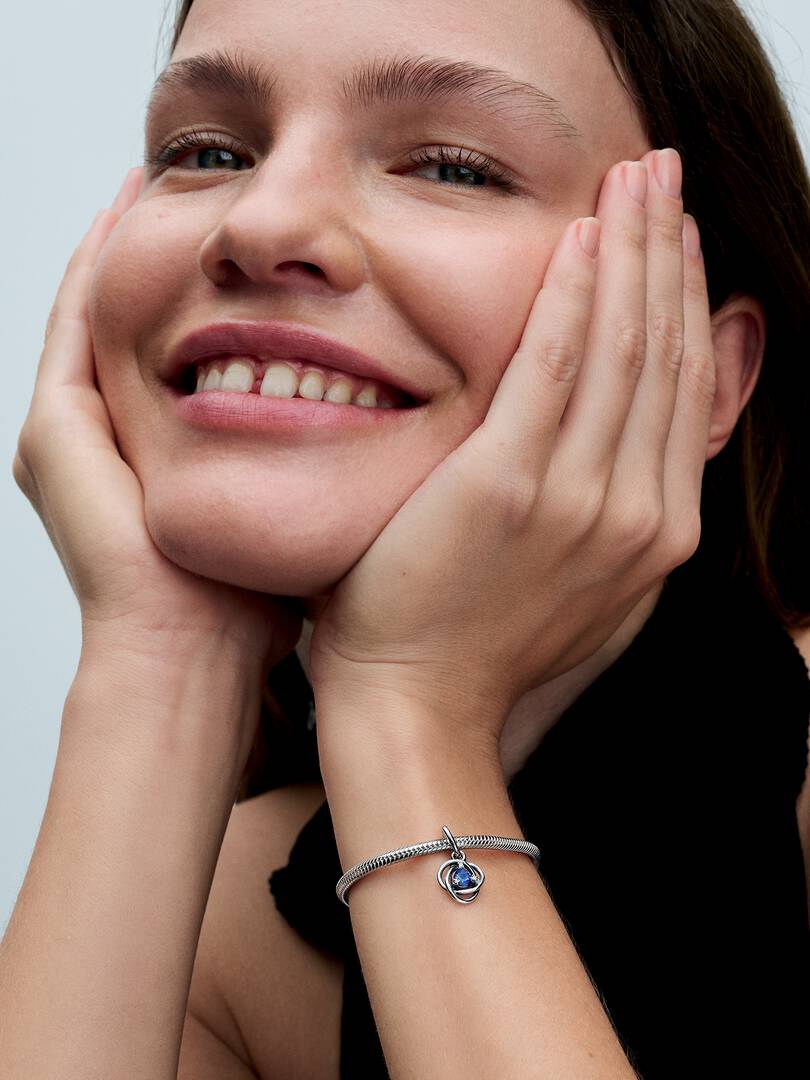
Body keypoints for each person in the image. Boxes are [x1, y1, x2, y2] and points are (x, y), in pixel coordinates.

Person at [4, 0, 809, 1075]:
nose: (259, 224)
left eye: (452, 168)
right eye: (208, 152)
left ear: (704, 372)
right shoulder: (211, 935)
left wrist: (410, 709)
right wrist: (155, 666)